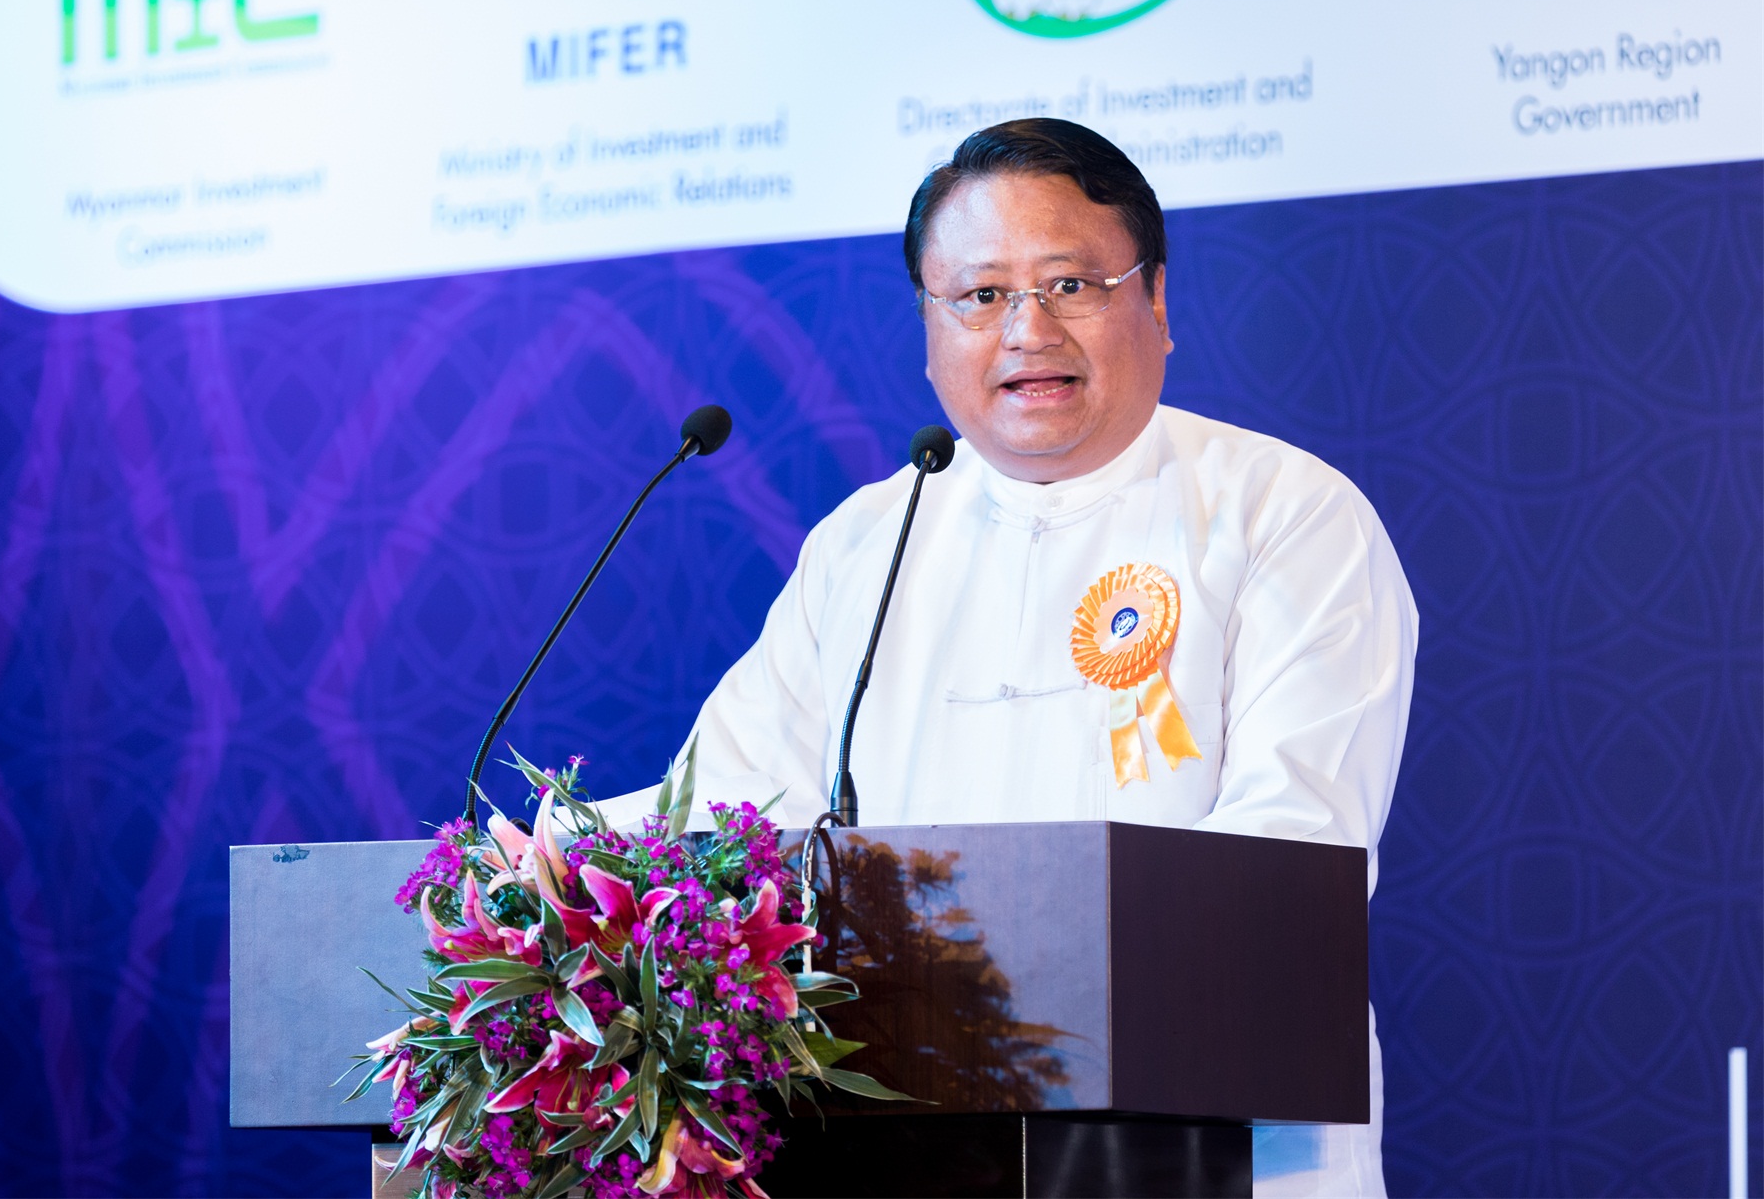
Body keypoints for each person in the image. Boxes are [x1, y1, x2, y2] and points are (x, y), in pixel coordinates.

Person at [607, 117, 1417, 1196]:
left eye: (1070, 285)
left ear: (1156, 299)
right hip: (898, 1160)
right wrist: (551, 862)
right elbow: (723, 824)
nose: (1028, 330)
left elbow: (1291, 861)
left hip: (1212, 1157)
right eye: (982, 295)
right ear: (929, 329)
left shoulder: (1285, 514)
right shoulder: (869, 542)